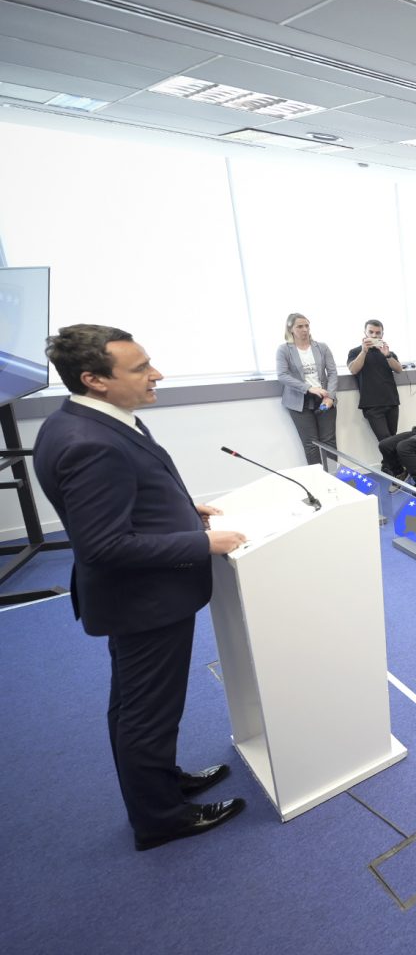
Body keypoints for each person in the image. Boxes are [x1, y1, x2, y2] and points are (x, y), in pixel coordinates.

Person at [32, 324, 248, 851]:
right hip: (145, 601)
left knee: (134, 706)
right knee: (147, 713)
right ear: (94, 379)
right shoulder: (89, 443)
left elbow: (123, 498)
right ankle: (160, 818)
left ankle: (160, 783)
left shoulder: (81, 419)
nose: (158, 375)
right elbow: (104, 546)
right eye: (141, 368)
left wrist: (182, 509)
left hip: (136, 599)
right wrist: (202, 542)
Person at [275, 313, 338, 467]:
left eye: (306, 326)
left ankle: (332, 476)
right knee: (311, 444)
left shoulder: (322, 347)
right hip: (299, 402)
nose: (304, 329)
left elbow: (332, 373)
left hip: (324, 400)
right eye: (300, 326)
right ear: (291, 329)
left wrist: (330, 397)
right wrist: (309, 388)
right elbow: (282, 375)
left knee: (329, 441)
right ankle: (317, 478)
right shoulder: (284, 350)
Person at [347, 318, 403, 443]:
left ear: (382, 334)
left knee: (393, 438)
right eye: (371, 332)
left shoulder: (388, 352)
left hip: (391, 401)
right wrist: (364, 351)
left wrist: (387, 355)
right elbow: (353, 370)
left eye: (378, 333)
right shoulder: (355, 352)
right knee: (385, 439)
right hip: (371, 404)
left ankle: (393, 457)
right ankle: (394, 457)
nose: (374, 335)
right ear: (365, 333)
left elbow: (399, 369)